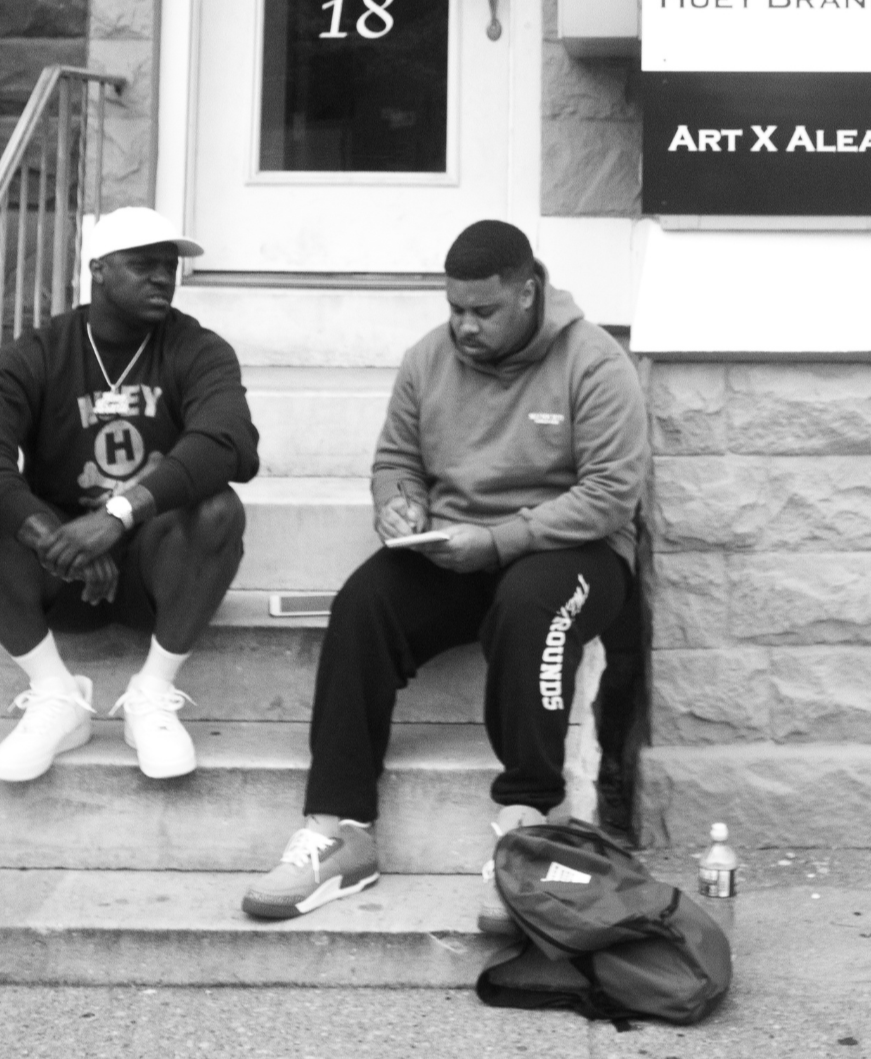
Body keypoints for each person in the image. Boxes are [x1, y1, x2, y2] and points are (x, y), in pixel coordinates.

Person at [243, 218, 647, 928]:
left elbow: (611, 493)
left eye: (482, 311)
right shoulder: (426, 359)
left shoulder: (594, 361)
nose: (463, 325)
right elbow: (396, 460)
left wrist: (499, 541)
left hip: (572, 551)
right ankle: (340, 831)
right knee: (361, 604)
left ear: (528, 292)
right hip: (455, 544)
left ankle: (528, 825)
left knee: (530, 606)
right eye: (454, 308)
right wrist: (398, 507)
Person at [0, 205, 259, 783]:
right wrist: (49, 536)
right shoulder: (39, 353)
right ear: (98, 269)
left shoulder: (198, 349)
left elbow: (229, 443)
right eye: (142, 265)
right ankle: (55, 694)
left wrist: (118, 515)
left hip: (152, 570)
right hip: (59, 569)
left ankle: (152, 694)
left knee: (218, 509)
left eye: (170, 266)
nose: (163, 277)